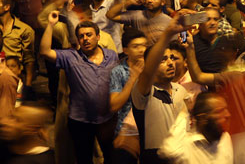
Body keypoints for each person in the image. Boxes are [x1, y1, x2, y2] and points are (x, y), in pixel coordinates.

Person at [40, 12, 119, 163]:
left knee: (111, 157)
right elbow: (44, 51)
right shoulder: (71, 57)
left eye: (89, 35)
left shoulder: (111, 56)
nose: (85, 39)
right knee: (84, 159)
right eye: (81, 36)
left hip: (107, 119)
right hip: (80, 121)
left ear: (98, 37)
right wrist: (50, 25)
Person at [131, 16, 191, 163]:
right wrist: (168, 34)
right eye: (163, 60)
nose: (170, 63)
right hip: (156, 158)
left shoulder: (180, 90)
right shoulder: (144, 91)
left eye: (171, 58)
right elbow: (148, 72)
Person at [158, 93, 233, 164]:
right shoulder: (186, 145)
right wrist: (185, 111)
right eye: (220, 111)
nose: (228, 115)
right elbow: (169, 151)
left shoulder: (225, 138)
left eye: (226, 109)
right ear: (203, 118)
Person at [109, 27, 147, 163]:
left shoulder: (153, 68)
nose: (142, 50)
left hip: (150, 131)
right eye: (136, 46)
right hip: (126, 133)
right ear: (125, 50)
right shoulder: (118, 71)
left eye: (144, 45)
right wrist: (133, 78)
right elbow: (114, 105)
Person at [107, 0, 172, 46]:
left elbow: (172, 45)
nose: (149, 0)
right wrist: (126, 2)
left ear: (163, 2)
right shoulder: (137, 15)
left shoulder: (169, 21)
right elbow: (110, 15)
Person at [0, 0, 35, 97]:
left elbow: (29, 59)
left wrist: (28, 85)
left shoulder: (24, 30)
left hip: (14, 77)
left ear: (7, 7)